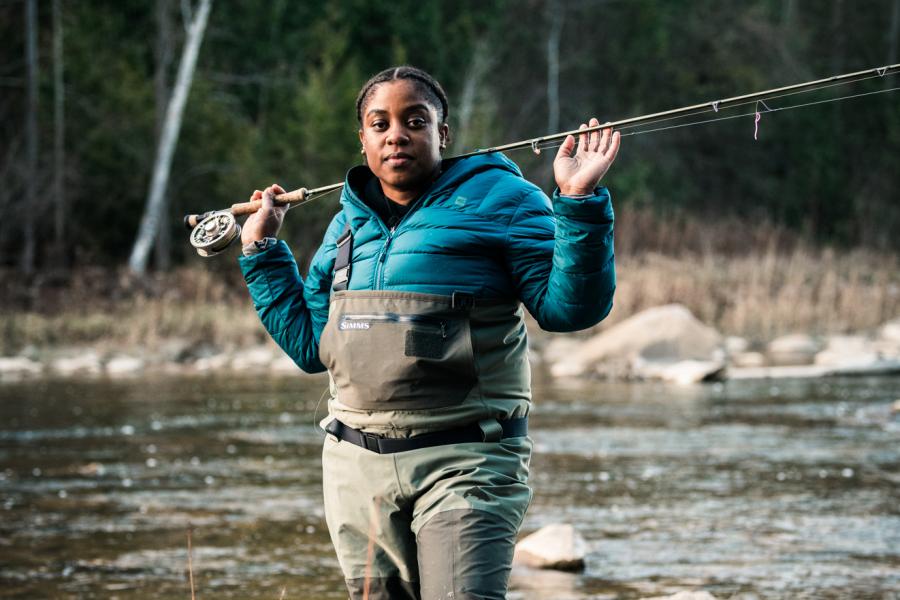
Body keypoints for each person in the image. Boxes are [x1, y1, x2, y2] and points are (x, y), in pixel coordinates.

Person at [238, 66, 619, 600]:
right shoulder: (345, 226)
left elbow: (570, 310)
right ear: (364, 139)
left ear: (442, 134)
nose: (397, 133)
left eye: (415, 120)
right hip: (355, 472)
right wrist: (263, 253)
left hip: (467, 461)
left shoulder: (505, 201)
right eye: (381, 123)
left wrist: (576, 201)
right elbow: (310, 348)